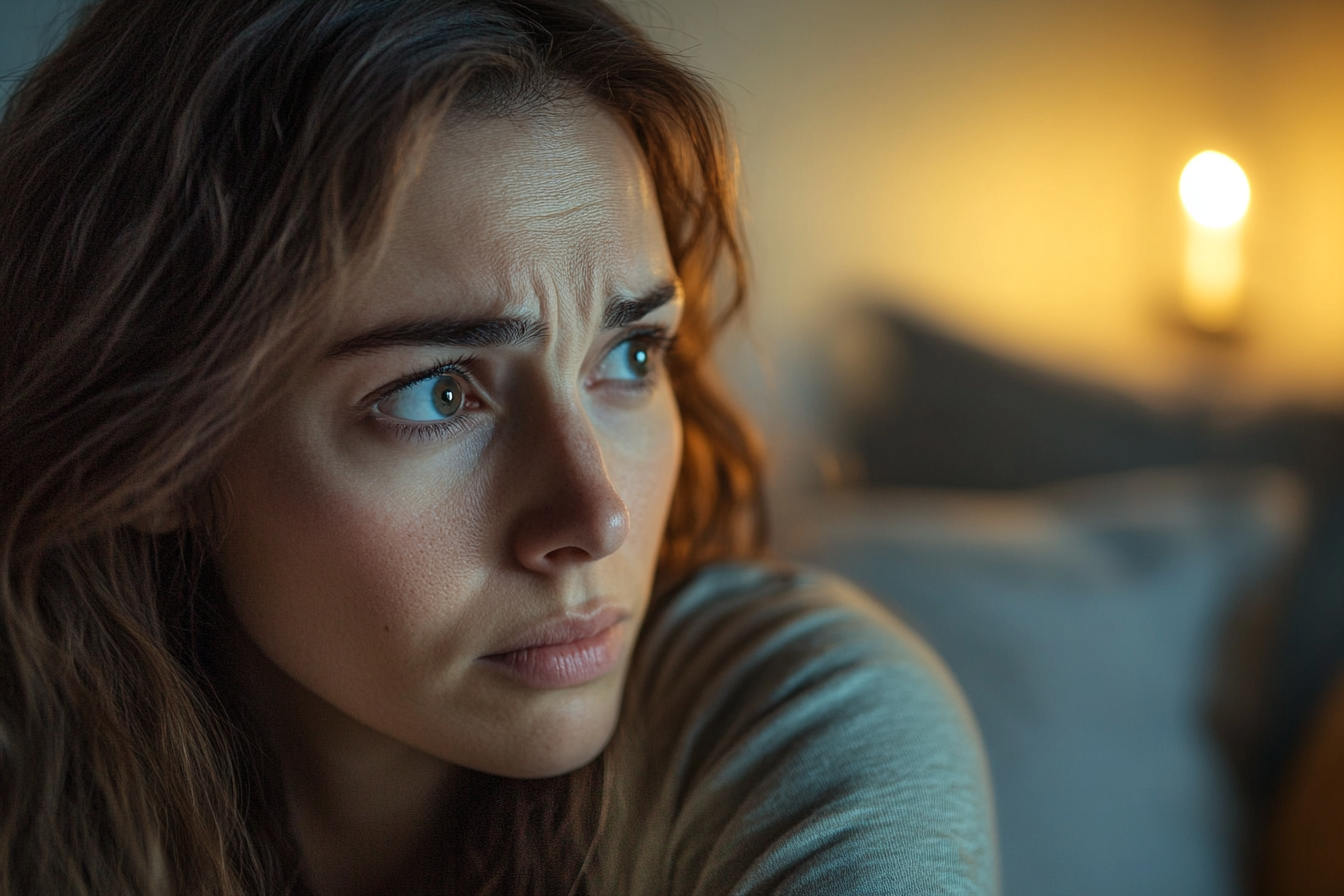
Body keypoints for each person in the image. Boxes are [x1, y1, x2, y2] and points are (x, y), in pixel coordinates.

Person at [0, 0, 997, 893]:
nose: (594, 514)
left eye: (632, 353)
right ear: (158, 444)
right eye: (439, 393)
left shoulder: (790, 705)